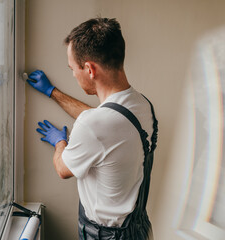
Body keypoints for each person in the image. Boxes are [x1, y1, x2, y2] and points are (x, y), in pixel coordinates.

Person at [27, 18, 158, 239]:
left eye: (72, 68)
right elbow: (104, 121)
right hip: (140, 230)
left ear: (89, 69)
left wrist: (60, 142)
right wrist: (52, 92)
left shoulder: (95, 124)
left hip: (106, 235)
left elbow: (62, 169)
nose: (73, 74)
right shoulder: (142, 104)